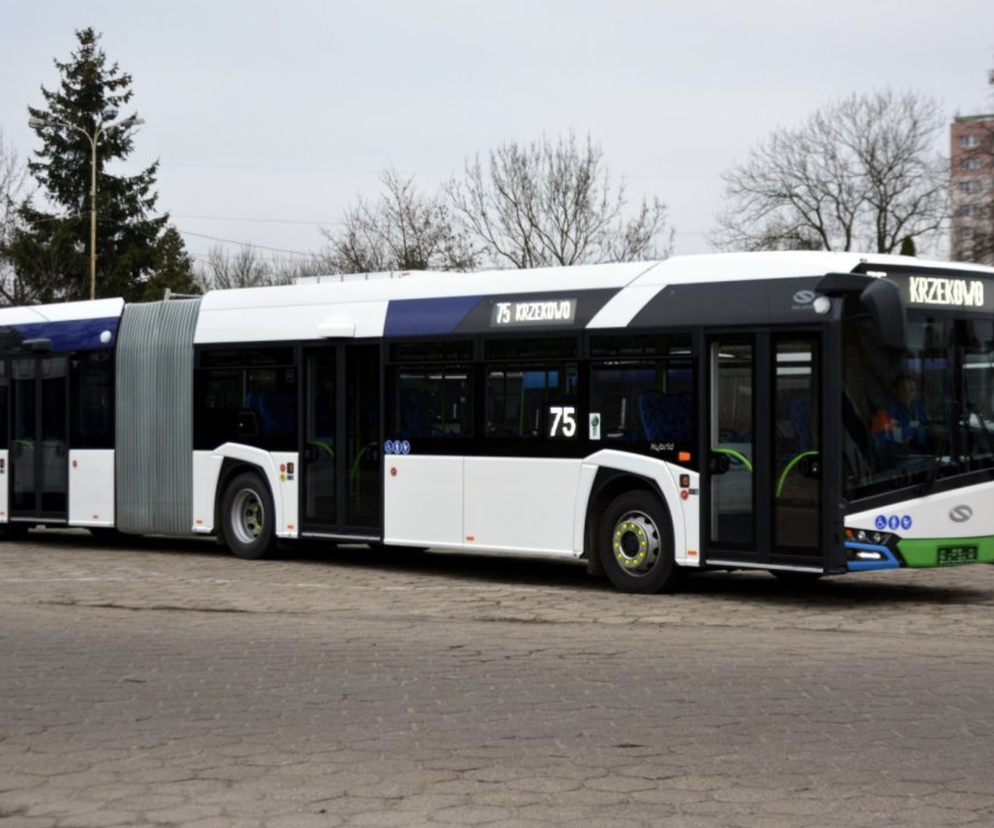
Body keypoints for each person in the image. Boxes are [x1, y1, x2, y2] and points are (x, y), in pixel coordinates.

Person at [872, 374, 929, 451]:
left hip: (922, 455)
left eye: (912, 390)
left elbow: (928, 427)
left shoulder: (920, 408)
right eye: (904, 390)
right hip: (897, 456)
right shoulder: (884, 412)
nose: (908, 394)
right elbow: (881, 442)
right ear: (896, 390)